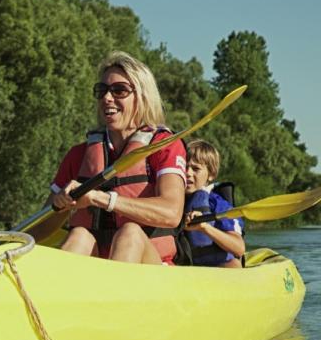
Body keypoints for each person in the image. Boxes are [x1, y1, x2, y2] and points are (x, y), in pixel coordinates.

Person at [49, 51, 186, 264]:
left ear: (142, 97)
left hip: (152, 268)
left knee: (130, 232)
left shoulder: (164, 146)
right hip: (99, 266)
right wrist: (59, 204)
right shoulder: (79, 154)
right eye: (101, 90)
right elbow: (44, 224)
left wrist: (100, 199)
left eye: (119, 90)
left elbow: (172, 213)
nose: (107, 98)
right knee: (79, 235)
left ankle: (116, 285)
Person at [183, 140, 245, 268]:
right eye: (184, 166)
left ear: (211, 175)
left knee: (233, 264)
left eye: (196, 169)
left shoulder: (219, 204)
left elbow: (239, 248)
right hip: (188, 269)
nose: (187, 173)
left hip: (220, 268)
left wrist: (204, 227)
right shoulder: (172, 201)